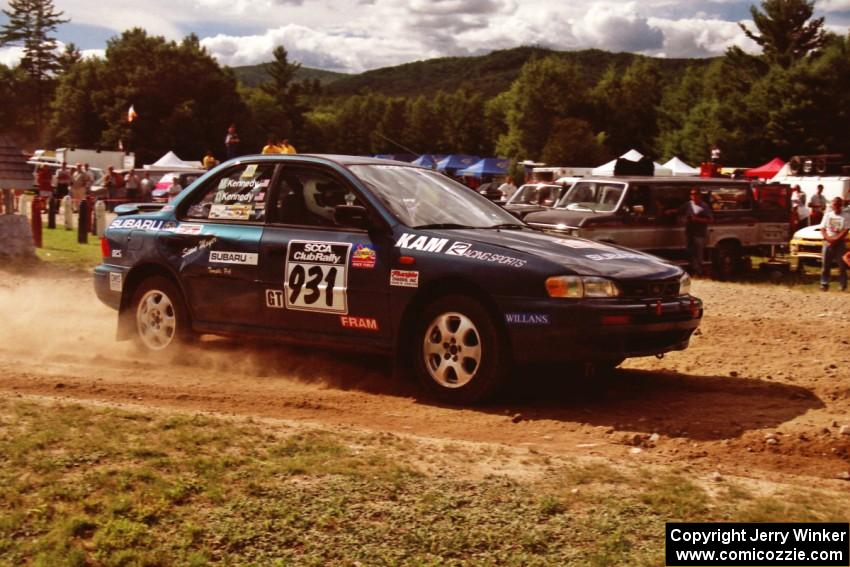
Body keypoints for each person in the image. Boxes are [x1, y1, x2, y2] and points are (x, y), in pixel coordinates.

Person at [678, 188, 714, 277]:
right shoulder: (688, 204)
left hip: (700, 233)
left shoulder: (704, 206)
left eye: (695, 194)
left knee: (698, 253)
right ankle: (692, 270)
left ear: (699, 195)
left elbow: (710, 219)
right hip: (689, 232)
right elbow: (680, 211)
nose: (693, 196)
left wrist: (696, 219)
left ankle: (699, 272)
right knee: (690, 252)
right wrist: (670, 211)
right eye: (692, 194)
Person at [820, 196, 850, 291]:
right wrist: (828, 238)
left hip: (840, 243)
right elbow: (822, 228)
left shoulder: (846, 216)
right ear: (832, 205)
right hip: (828, 243)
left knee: (841, 265)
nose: (836, 205)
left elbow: (846, 230)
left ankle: (842, 285)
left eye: (838, 204)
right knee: (825, 265)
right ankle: (824, 284)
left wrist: (836, 239)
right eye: (834, 204)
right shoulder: (828, 215)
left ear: (841, 205)